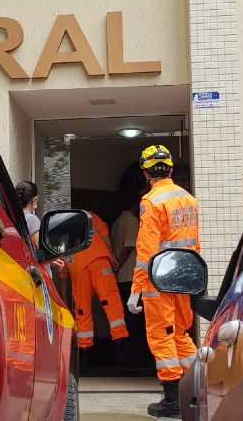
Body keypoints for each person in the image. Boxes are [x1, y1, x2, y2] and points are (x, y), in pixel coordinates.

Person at [127, 144, 200, 419]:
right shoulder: (189, 199)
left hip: (159, 280)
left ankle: (172, 402)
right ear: (170, 169)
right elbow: (195, 245)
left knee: (161, 336)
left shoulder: (151, 202)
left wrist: (136, 290)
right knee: (180, 334)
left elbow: (146, 252)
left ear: (146, 173)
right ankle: (194, 392)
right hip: (185, 277)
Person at [66, 210, 131, 372]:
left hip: (77, 266)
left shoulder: (64, 222)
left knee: (82, 310)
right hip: (99, 261)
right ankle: (122, 355)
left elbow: (62, 254)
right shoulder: (92, 216)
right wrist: (112, 257)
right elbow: (105, 236)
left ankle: (85, 359)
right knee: (112, 305)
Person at [111, 178, 154, 369]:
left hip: (123, 278)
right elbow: (129, 247)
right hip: (130, 277)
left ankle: (129, 356)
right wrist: (118, 266)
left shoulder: (119, 221)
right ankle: (137, 357)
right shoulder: (131, 221)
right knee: (136, 321)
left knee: (128, 320)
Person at [15, 181, 64, 274]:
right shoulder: (32, 219)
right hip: (39, 274)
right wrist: (52, 258)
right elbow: (42, 249)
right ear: (35, 199)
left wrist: (51, 261)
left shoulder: (13, 218)